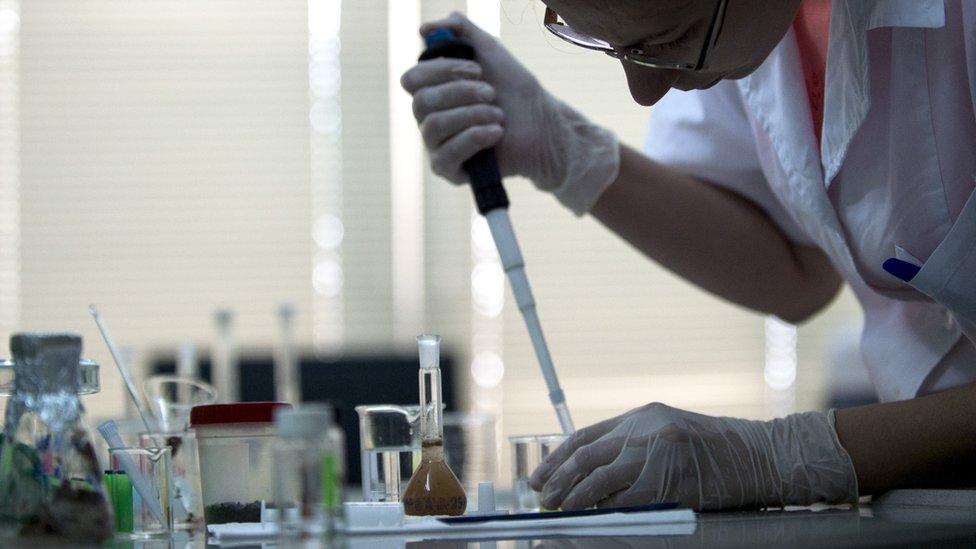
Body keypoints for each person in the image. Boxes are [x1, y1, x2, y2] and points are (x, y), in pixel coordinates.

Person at [401, 0, 976, 511]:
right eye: (609, 44)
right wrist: (564, 149)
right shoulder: (741, 30)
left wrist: (783, 456)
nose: (645, 91)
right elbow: (795, 272)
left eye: (671, 37)